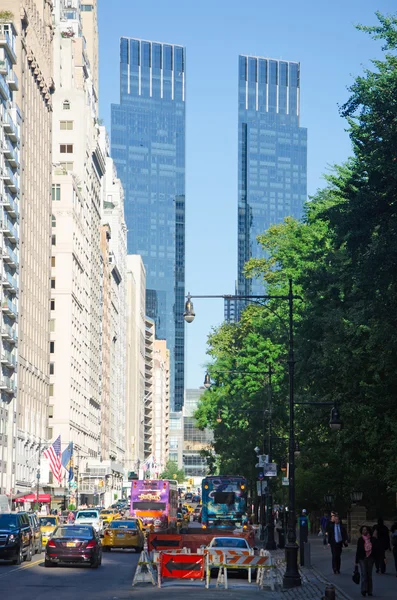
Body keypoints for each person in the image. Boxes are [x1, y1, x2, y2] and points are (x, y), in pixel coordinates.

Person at [355, 525, 378, 597]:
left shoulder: (372, 539)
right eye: (363, 530)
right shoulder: (360, 539)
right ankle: (363, 589)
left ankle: (370, 590)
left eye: (365, 530)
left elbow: (376, 549)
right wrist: (356, 562)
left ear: (368, 531)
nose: (364, 531)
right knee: (364, 574)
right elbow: (358, 550)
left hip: (370, 558)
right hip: (362, 558)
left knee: (369, 575)